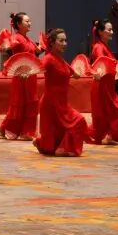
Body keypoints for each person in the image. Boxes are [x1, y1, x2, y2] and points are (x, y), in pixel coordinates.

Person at [33, 29, 89, 157]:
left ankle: (42, 142)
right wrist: (28, 72)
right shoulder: (48, 59)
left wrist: (89, 71)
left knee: (60, 131)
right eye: (61, 41)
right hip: (51, 104)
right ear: (52, 43)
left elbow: (76, 75)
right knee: (78, 121)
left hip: (61, 104)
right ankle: (60, 147)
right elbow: (37, 68)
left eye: (65, 40)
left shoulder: (61, 60)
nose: (65, 43)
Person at [87, 19, 118, 145]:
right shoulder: (98, 47)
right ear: (101, 32)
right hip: (101, 86)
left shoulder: (104, 46)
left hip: (108, 86)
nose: (112, 32)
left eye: (112, 29)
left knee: (108, 115)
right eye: (109, 30)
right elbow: (100, 64)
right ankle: (109, 136)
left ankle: (109, 136)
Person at [0, 11, 40, 140]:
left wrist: (44, 45)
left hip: (30, 75)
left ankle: (26, 131)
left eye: (29, 21)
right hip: (21, 76)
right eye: (27, 21)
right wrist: (5, 44)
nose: (30, 23)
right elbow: (5, 48)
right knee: (20, 103)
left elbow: (37, 51)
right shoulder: (16, 37)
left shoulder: (28, 39)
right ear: (18, 24)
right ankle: (8, 128)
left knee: (31, 102)